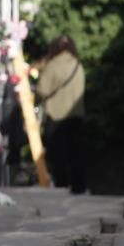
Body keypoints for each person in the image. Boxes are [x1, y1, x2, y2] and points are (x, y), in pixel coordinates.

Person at [36, 35, 86, 194]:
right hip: (76, 115)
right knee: (76, 153)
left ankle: (62, 185)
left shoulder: (52, 66)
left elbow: (42, 90)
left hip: (56, 115)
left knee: (58, 155)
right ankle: (79, 186)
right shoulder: (78, 65)